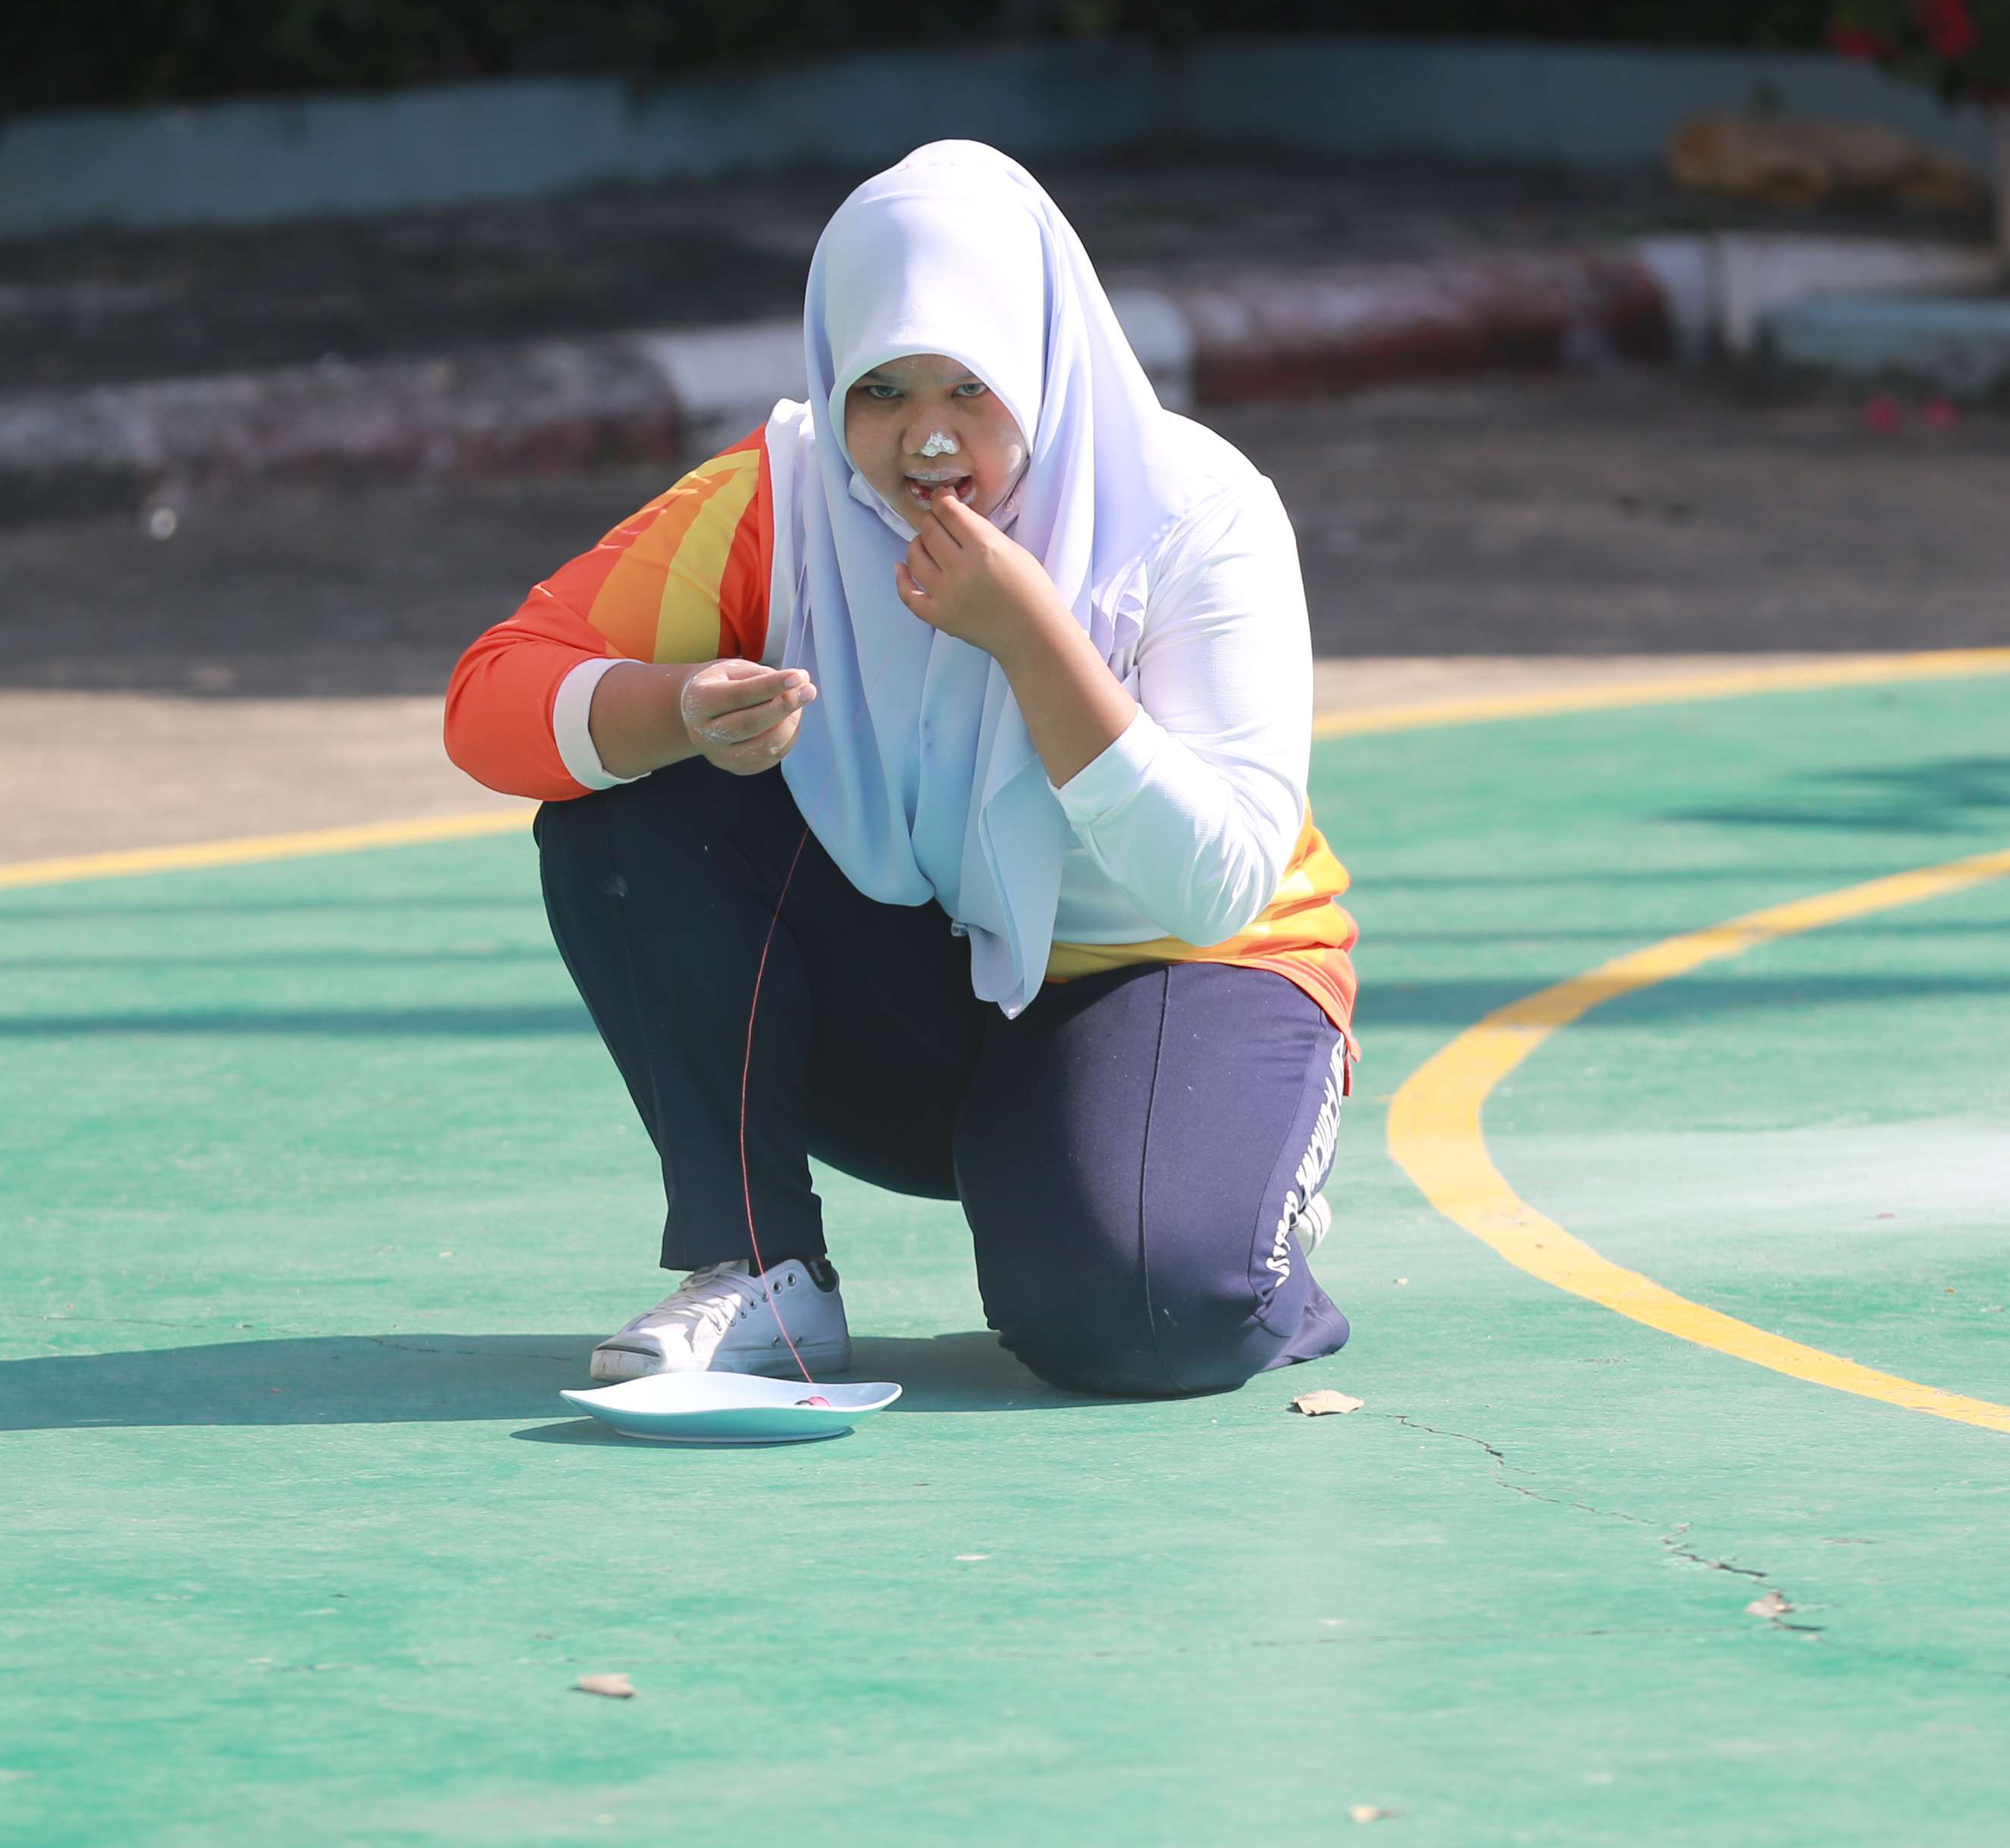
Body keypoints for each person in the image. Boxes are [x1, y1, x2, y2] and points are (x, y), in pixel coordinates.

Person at [442, 140, 1355, 1399]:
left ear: (1045, 362)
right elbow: (492, 700)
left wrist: (1032, 637)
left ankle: (1230, 1199)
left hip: (1185, 971)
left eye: (971, 387)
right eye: (881, 390)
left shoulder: (1195, 512)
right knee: (628, 805)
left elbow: (1217, 886)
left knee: (1153, 1316)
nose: (927, 438)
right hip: (937, 988)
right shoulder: (780, 498)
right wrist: (679, 708)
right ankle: (759, 1269)